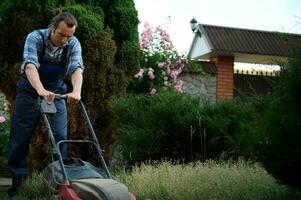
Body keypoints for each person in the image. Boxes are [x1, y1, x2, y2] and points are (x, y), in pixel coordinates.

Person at [7, 12, 84, 198]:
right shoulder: (35, 38)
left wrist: (76, 91)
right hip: (30, 92)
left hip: (56, 92)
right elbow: (30, 65)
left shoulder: (73, 43)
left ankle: (59, 184)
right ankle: (18, 185)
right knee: (21, 137)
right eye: (61, 34)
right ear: (52, 28)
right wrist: (40, 90)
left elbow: (76, 68)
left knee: (59, 136)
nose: (65, 40)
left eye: (69, 35)